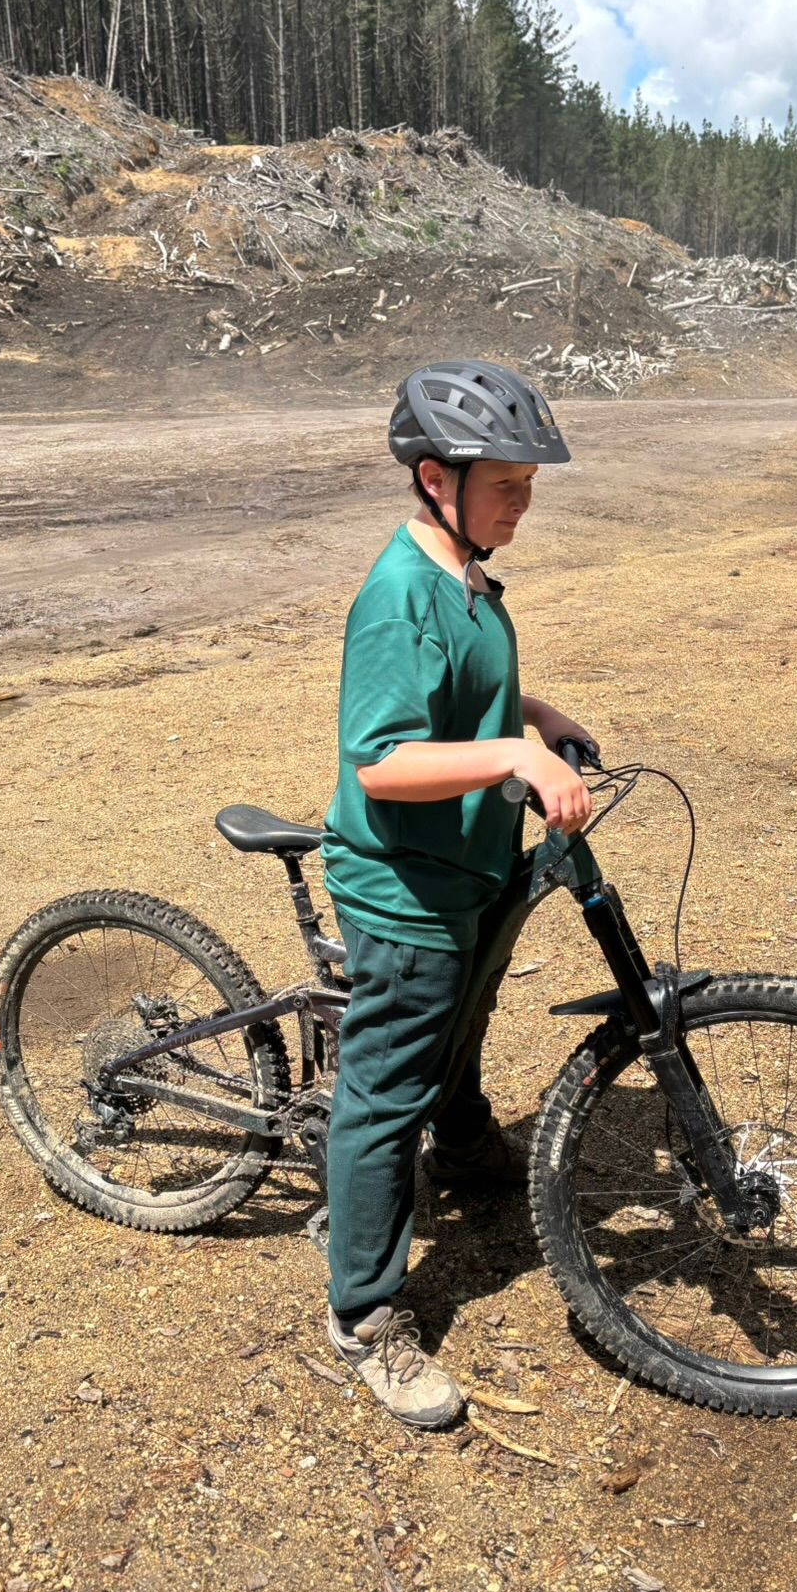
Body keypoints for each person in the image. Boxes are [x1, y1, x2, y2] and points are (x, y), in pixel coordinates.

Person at [320, 359, 599, 1427]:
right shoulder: (397, 594)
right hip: (404, 885)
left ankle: (469, 1137)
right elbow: (383, 762)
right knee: (385, 1088)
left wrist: (533, 713)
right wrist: (511, 763)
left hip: (469, 868)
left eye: (530, 487)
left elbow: (466, 689)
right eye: (508, 488)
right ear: (438, 477)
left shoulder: (466, 576)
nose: (523, 506)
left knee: (466, 1015)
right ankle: (361, 1312)